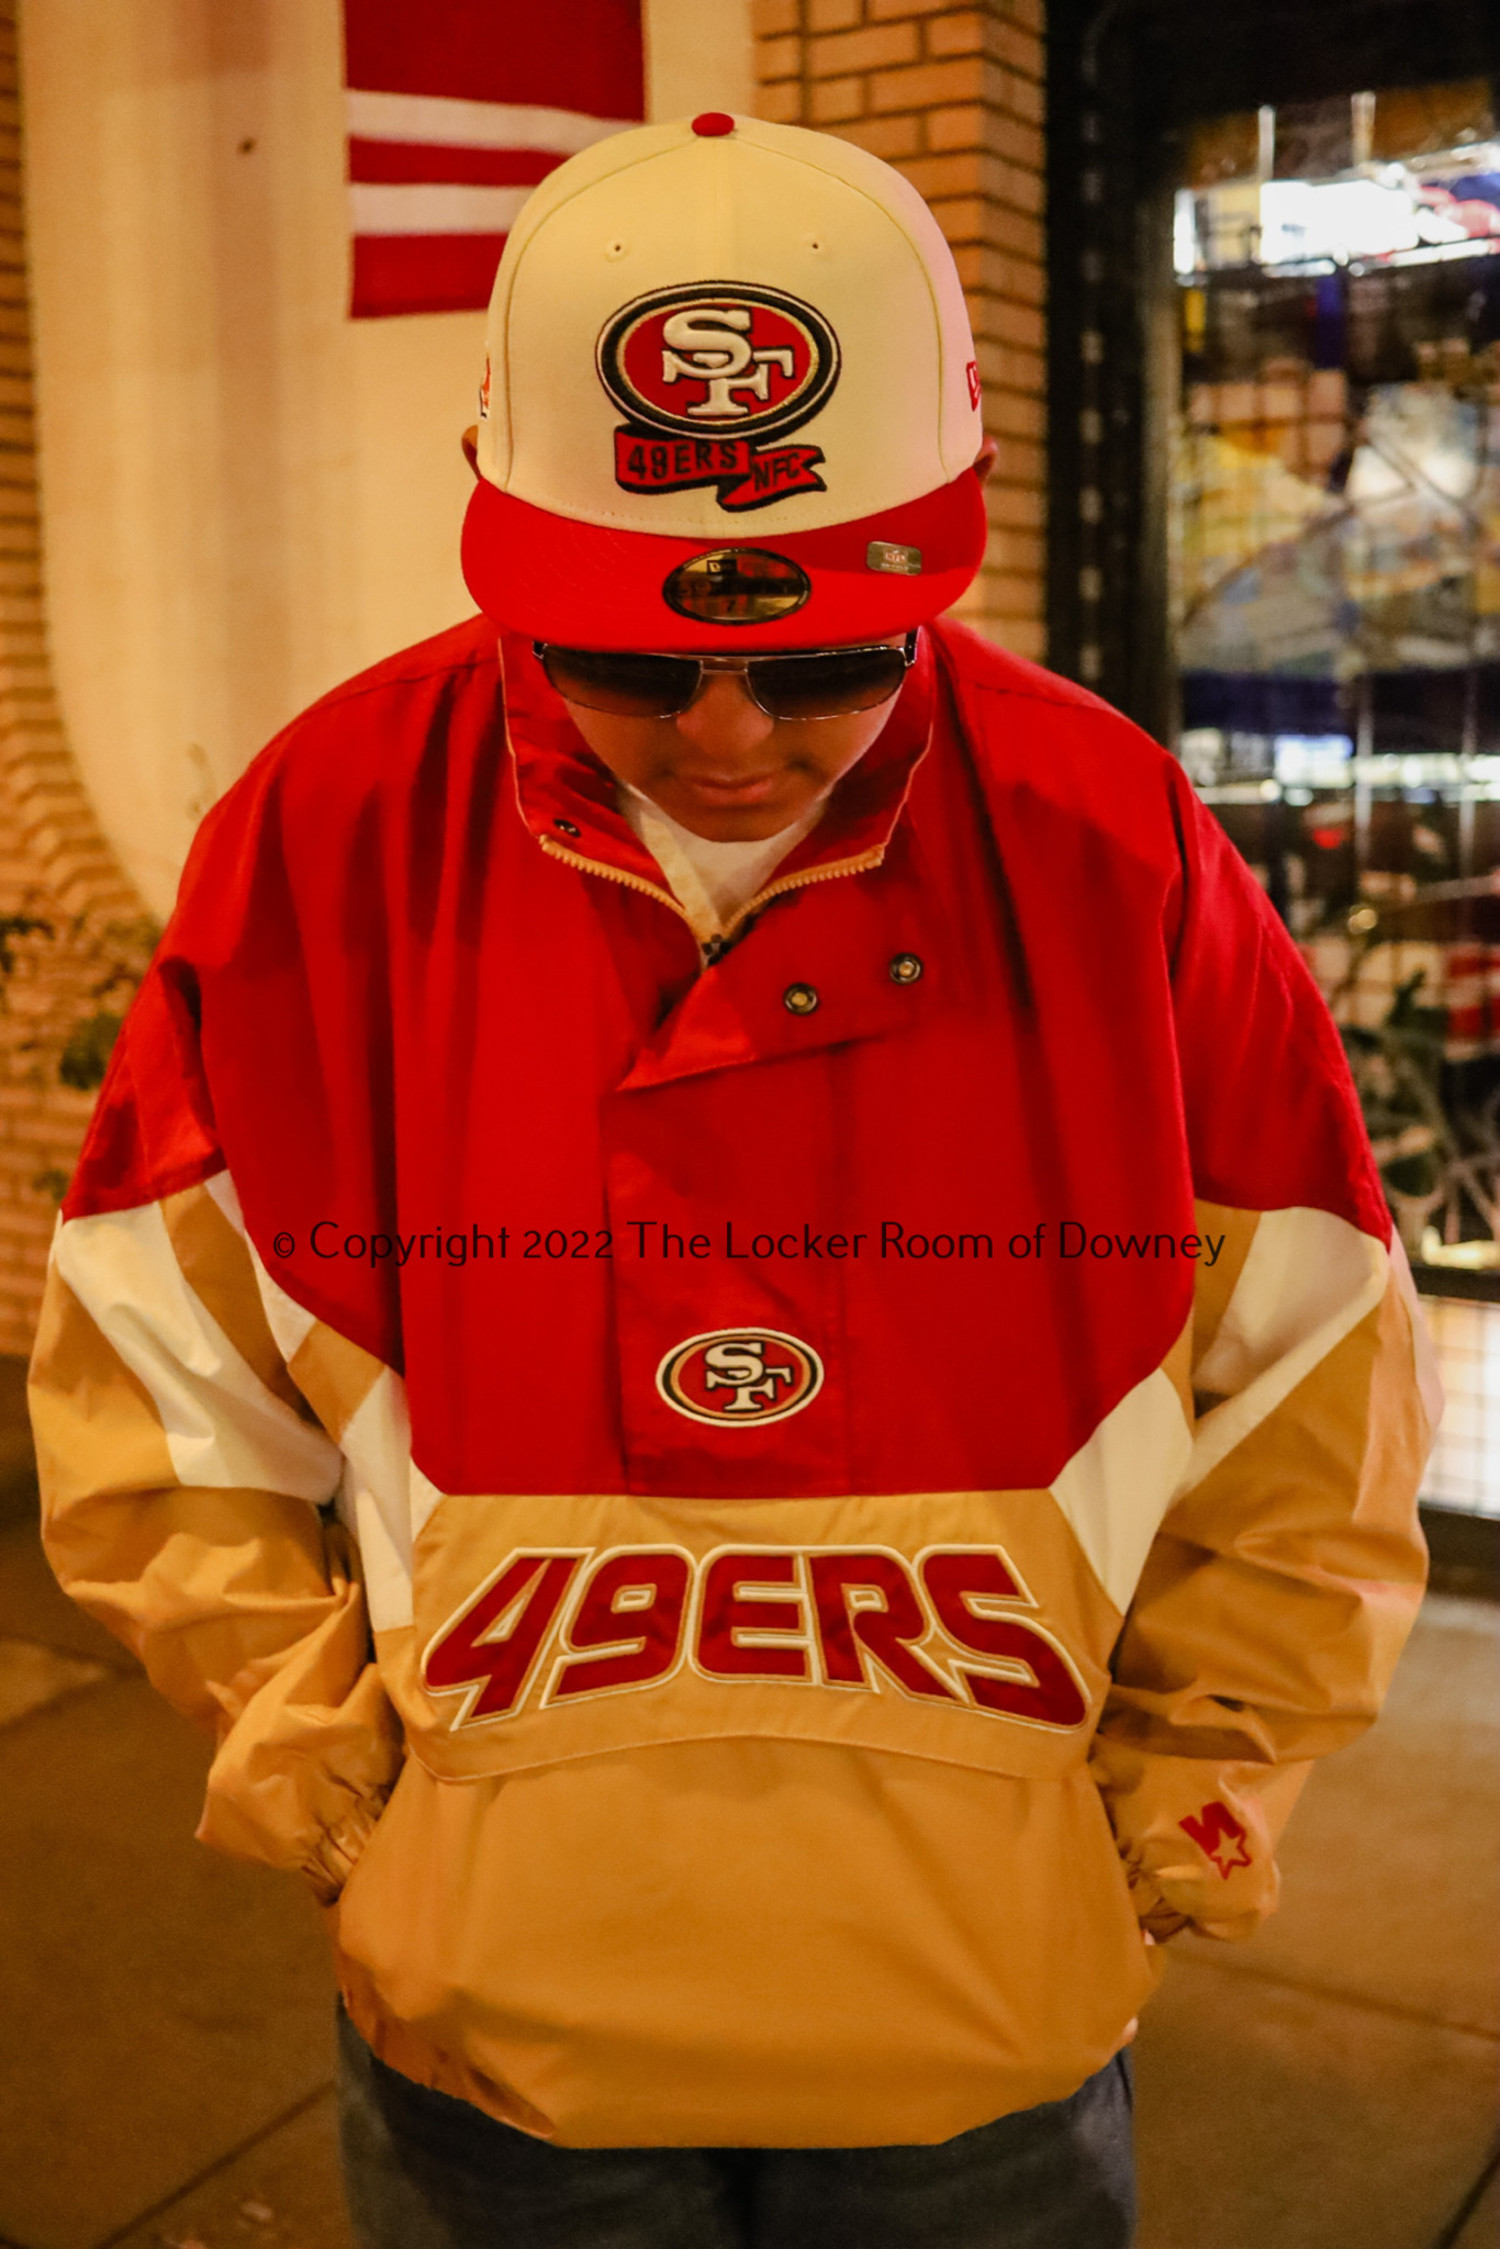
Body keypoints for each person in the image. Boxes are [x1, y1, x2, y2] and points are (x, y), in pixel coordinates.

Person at [29, 114, 1437, 2249]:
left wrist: (1180, 1808)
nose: (724, 738)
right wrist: (328, 1771)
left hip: (980, 2046)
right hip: (494, 2048)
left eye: (819, 662)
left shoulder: (1113, 846)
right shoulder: (325, 842)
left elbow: (1315, 1390)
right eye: (624, 656)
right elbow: (153, 1372)